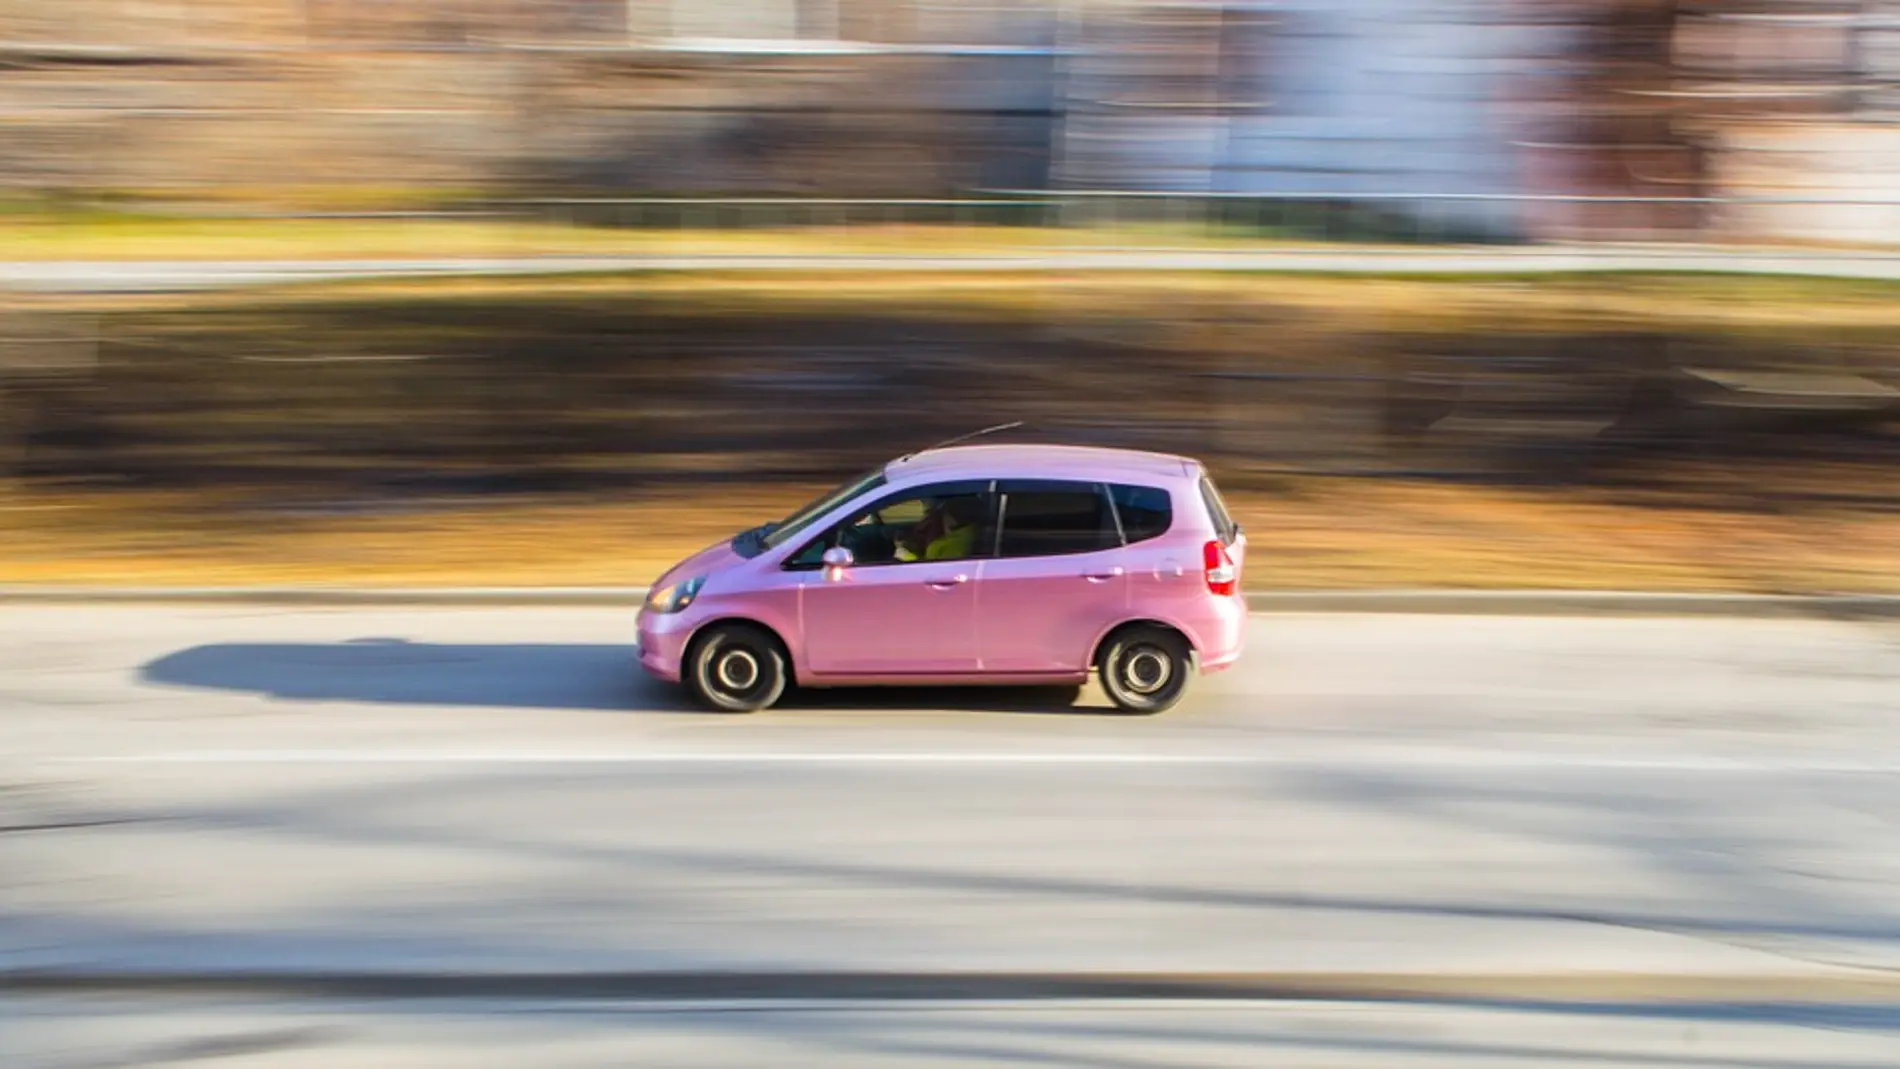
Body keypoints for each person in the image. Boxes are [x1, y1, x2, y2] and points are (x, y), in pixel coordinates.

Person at [895, 495, 981, 562]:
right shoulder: (969, 534)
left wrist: (904, 554)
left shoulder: (951, 545)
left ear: (952, 519)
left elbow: (932, 572)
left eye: (941, 515)